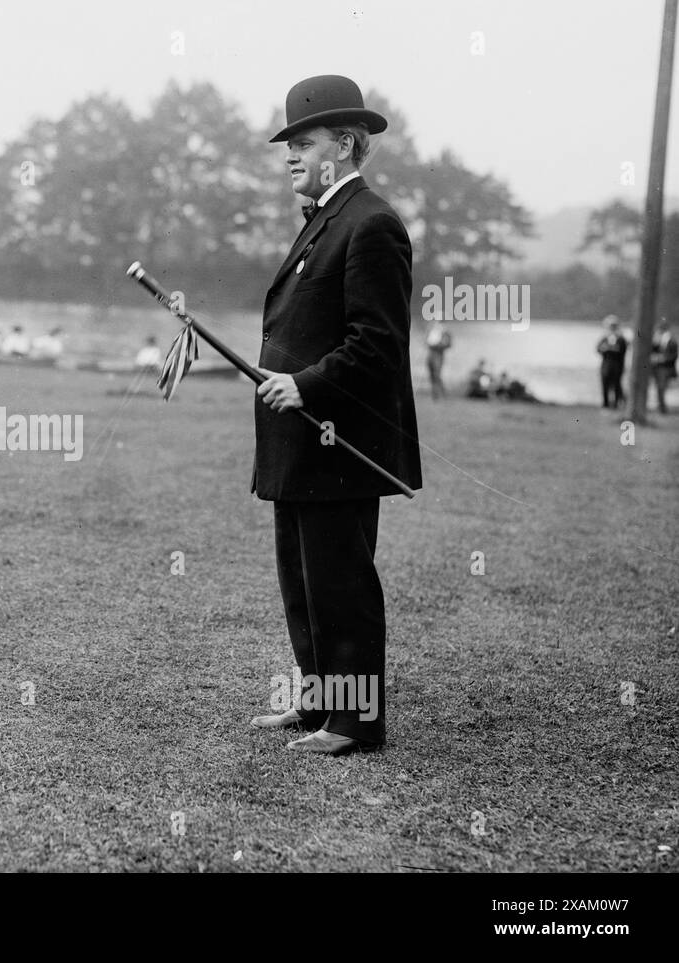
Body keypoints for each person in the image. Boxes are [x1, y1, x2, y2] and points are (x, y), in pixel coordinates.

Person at [247, 75, 422, 756]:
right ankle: (320, 704)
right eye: (288, 144)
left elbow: (376, 343)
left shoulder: (372, 224)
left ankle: (354, 724)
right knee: (303, 578)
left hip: (338, 441)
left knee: (340, 581)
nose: (290, 155)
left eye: (304, 141)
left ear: (345, 144)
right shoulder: (324, 218)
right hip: (299, 441)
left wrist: (306, 386)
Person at [596, 315, 628, 409]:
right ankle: (605, 404)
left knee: (616, 385)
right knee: (605, 385)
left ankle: (616, 404)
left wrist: (609, 349)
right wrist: (607, 349)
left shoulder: (621, 338)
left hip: (617, 366)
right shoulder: (604, 338)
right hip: (605, 366)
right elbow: (598, 349)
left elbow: (621, 350)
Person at [650, 321, 677, 414]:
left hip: (666, 368)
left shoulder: (672, 341)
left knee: (661, 387)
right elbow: (652, 350)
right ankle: (661, 407)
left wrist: (663, 359)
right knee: (659, 388)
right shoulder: (657, 340)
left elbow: (674, 355)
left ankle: (662, 409)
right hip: (657, 368)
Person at [424, 319, 452, 400]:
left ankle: (441, 394)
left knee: (437, 374)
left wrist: (438, 345)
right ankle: (435, 394)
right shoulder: (432, 330)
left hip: (439, 355)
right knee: (431, 374)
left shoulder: (445, 332)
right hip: (430, 354)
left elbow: (448, 344)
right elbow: (425, 341)